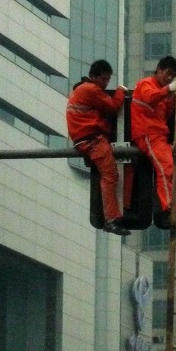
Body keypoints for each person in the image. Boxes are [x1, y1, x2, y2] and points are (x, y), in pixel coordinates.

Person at [66, 60, 130, 236]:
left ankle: (112, 217)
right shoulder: (92, 89)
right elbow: (112, 106)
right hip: (92, 139)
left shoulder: (82, 89)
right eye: (103, 79)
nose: (106, 83)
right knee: (110, 176)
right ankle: (112, 219)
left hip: (83, 138)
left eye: (108, 80)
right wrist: (120, 91)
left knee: (107, 176)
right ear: (93, 77)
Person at [131, 55, 176, 226]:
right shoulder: (146, 84)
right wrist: (170, 90)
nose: (169, 78)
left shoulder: (165, 93)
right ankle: (167, 210)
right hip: (148, 134)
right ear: (158, 70)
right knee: (166, 168)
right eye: (168, 74)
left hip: (159, 136)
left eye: (173, 76)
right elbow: (150, 98)